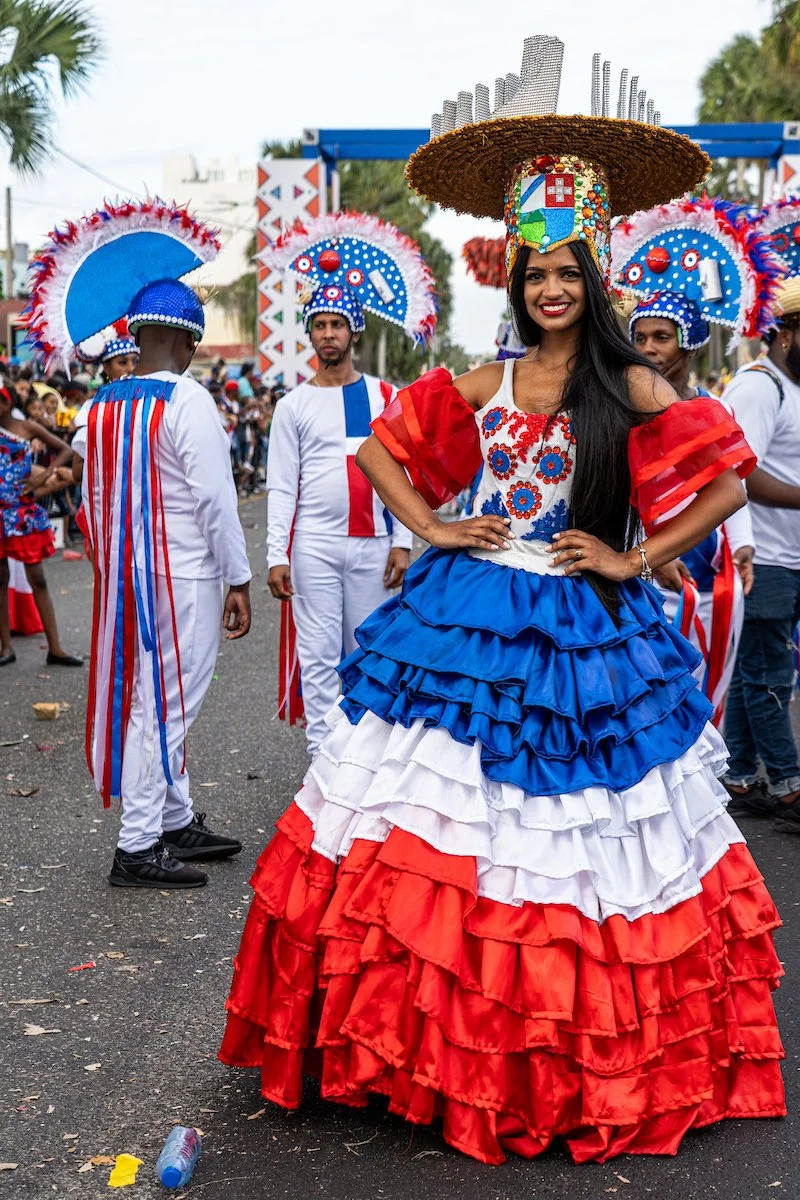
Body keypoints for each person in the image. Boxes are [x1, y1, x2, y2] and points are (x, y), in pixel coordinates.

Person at [220, 37, 783, 1163]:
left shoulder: (629, 382)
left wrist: (632, 557)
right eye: (535, 274)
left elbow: (725, 480)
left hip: (582, 624)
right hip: (465, 611)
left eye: (567, 271)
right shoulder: (482, 380)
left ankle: (554, 1057)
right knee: (425, 828)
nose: (551, 289)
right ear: (515, 284)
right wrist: (429, 526)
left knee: (570, 843)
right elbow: (381, 449)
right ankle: (412, 1046)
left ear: (592, 279)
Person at [26, 197, 253, 889]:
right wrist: (238, 578)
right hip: (182, 577)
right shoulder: (187, 402)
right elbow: (217, 501)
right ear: (185, 343)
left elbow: (92, 503)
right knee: (167, 707)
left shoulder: (99, 406)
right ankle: (137, 843)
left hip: (126, 576)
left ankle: (175, 818)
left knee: (150, 700)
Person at [261, 210, 437, 751]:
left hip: (373, 546)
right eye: (320, 325)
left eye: (337, 324)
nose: (328, 333)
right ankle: (324, 762)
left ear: (353, 330)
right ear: (310, 332)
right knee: (317, 659)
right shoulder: (292, 405)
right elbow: (281, 486)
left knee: (371, 653)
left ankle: (364, 760)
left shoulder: (386, 396)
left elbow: (405, 473)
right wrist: (275, 555)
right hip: (313, 546)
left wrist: (403, 542)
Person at [611, 195, 783, 723]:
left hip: (710, 566)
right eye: (640, 337)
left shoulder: (710, 409)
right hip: (642, 567)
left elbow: (731, 483)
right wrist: (648, 553)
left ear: (688, 344)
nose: (649, 348)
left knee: (710, 684)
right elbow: (617, 493)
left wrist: (746, 546)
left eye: (662, 337)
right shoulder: (621, 410)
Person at [721, 275, 800, 826]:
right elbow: (736, 476)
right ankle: (791, 785)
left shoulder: (790, 388)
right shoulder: (757, 387)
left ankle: (740, 775)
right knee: (770, 674)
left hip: (786, 558)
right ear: (789, 332)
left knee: (759, 671)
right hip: (761, 558)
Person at [0, 380, 82, 667]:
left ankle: (55, 648)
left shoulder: (26, 427)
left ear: (9, 402)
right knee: (0, 580)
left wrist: (42, 475)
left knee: (39, 578)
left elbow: (65, 449)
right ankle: (6, 648)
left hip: (21, 514)